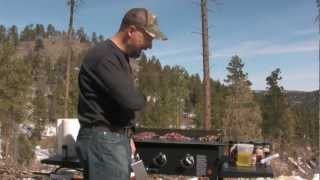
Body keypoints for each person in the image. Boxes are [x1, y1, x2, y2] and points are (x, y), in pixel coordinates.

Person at [75, 8, 167, 180]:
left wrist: (127, 136)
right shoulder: (105, 57)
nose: (149, 46)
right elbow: (132, 101)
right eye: (147, 38)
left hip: (112, 139)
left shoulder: (117, 57)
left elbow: (116, 105)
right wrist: (145, 97)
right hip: (104, 142)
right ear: (131, 31)